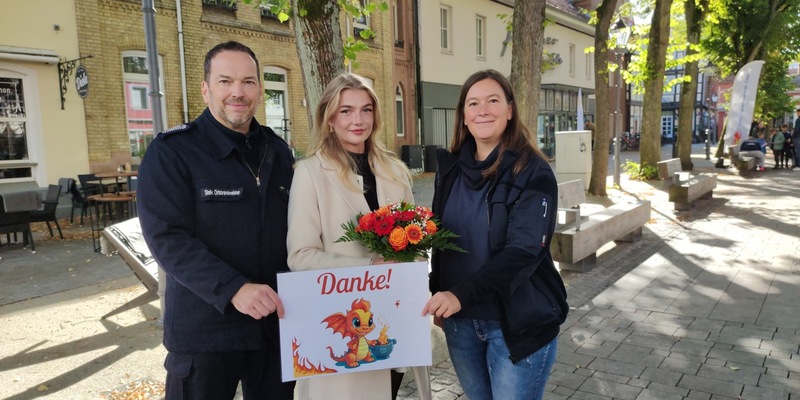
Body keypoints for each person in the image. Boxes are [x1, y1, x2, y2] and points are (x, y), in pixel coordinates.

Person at [137, 41, 296, 400]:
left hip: (272, 330)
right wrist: (233, 289)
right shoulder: (172, 151)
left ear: (259, 89)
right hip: (204, 332)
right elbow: (167, 238)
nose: (237, 93)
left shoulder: (277, 150)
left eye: (248, 82)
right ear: (206, 88)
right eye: (226, 81)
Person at [421, 70, 568, 400]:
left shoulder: (533, 171)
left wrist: (458, 293)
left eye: (492, 101)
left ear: (510, 110)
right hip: (461, 324)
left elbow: (524, 252)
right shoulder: (450, 170)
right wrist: (437, 288)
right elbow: (443, 242)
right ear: (464, 115)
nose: (482, 110)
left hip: (516, 325)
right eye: (473, 103)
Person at [286, 73, 414, 400]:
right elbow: (300, 255)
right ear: (329, 119)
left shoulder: (395, 170)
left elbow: (415, 243)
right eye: (346, 111)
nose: (358, 120)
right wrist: (370, 267)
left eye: (366, 109)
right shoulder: (309, 173)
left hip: (392, 321)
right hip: (342, 327)